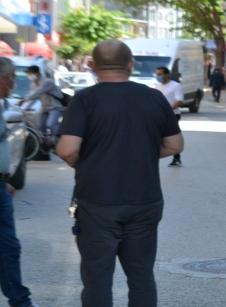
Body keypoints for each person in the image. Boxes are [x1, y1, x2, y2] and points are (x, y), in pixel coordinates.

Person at [57, 40, 184, 306]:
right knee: (141, 277)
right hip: (145, 199)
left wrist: (87, 160)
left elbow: (68, 150)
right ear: (131, 65)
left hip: (96, 200)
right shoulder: (153, 96)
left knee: (97, 279)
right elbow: (174, 145)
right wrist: (142, 153)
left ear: (92, 66)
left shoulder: (85, 99)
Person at [0, 58, 38, 307]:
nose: (14, 82)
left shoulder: (3, 105)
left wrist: (4, 181)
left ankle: (19, 300)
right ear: (4, 79)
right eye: (12, 76)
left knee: (9, 247)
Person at [17, 65, 65, 156]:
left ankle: (59, 143)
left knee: (50, 124)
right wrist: (26, 107)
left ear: (38, 73)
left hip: (55, 107)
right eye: (28, 74)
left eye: (31, 73)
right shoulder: (33, 85)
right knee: (40, 127)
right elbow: (33, 97)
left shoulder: (47, 82)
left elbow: (38, 92)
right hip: (45, 107)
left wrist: (24, 100)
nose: (29, 75)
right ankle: (44, 148)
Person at [155, 67, 185, 167]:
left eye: (160, 74)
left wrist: (168, 110)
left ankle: (176, 158)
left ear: (167, 74)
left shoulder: (176, 86)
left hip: (173, 115)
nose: (158, 76)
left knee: (171, 136)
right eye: (157, 74)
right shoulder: (158, 86)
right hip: (159, 115)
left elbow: (179, 101)